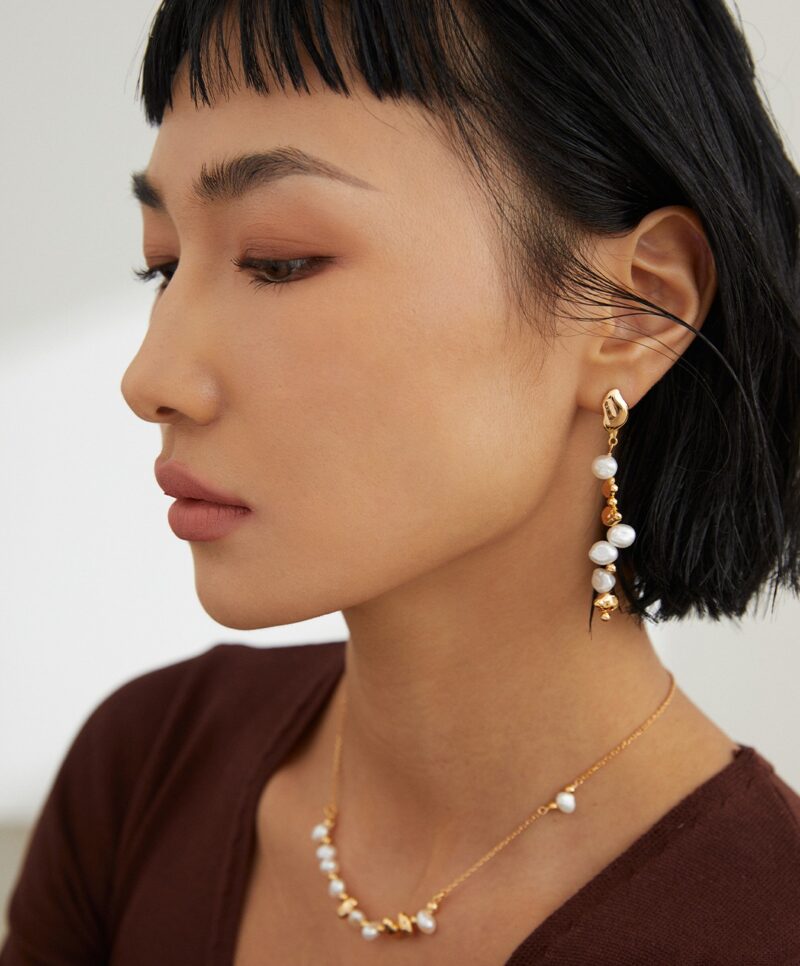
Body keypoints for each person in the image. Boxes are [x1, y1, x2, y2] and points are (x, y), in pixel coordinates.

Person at [3, 1, 800, 963]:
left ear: (636, 311)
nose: (151, 379)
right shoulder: (145, 772)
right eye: (163, 266)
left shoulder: (763, 924)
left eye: (279, 261)